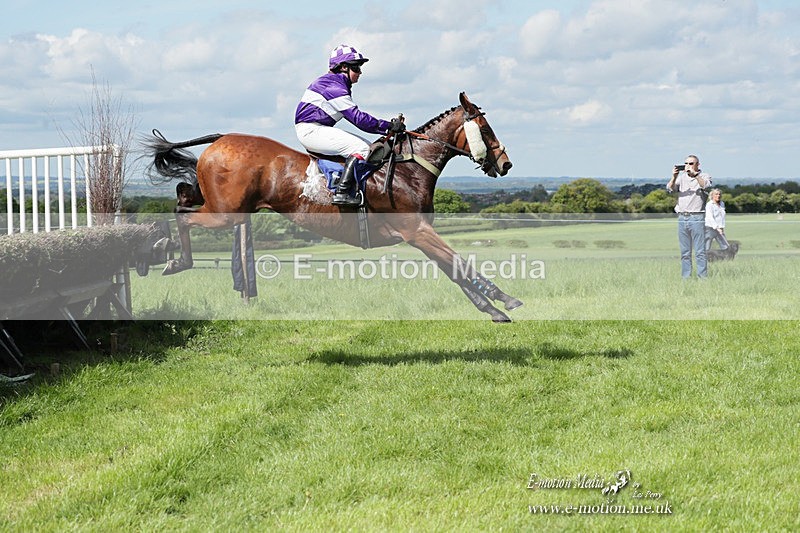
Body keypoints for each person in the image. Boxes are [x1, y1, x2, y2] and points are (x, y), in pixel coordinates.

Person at [295, 44, 405, 206]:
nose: (360, 72)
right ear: (343, 67)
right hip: (312, 130)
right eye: (356, 68)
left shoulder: (335, 83)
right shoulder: (333, 86)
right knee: (362, 150)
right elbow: (358, 119)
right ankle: (342, 192)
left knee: (368, 149)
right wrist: (388, 126)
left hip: (316, 129)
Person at [667, 155, 712, 278]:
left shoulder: (704, 176)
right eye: (686, 163)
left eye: (691, 163)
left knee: (700, 252)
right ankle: (686, 279)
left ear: (698, 165)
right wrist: (674, 176)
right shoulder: (681, 178)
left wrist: (695, 175)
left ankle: (703, 279)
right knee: (685, 252)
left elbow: (706, 186)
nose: (688, 166)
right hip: (682, 217)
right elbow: (670, 189)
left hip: (697, 217)